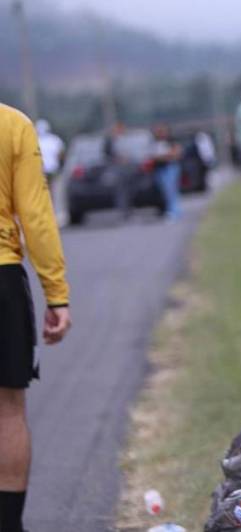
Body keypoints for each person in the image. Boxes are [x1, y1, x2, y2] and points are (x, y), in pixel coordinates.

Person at [1, 104, 72, 532]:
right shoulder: (12, 124)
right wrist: (56, 295)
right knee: (7, 411)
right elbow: (36, 216)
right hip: (2, 276)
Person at [152, 124, 183, 220]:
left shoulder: (171, 141)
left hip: (170, 168)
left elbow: (176, 154)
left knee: (171, 191)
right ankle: (169, 210)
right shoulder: (155, 142)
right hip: (159, 169)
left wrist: (164, 156)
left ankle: (174, 212)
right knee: (165, 192)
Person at [34, 119, 64, 184]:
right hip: (52, 168)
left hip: (40, 169)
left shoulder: (33, 139)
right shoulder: (55, 139)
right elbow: (60, 154)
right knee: (51, 186)